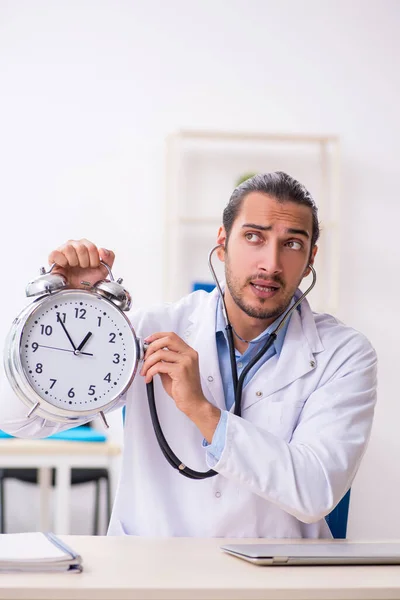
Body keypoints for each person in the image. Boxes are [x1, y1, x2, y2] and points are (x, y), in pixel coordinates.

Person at [0, 172, 377, 538]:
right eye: (253, 237)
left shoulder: (344, 355)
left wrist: (202, 410)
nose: (271, 264)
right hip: (152, 575)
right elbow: (19, 422)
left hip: (279, 580)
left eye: (292, 244)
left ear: (311, 257)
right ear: (222, 242)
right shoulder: (144, 332)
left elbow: (315, 491)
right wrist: (68, 306)